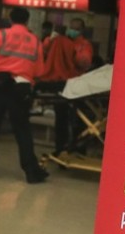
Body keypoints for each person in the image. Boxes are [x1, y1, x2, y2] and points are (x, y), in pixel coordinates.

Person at [0, 6, 50, 182]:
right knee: (22, 130)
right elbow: (40, 70)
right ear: (27, 21)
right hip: (22, 88)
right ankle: (31, 171)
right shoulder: (36, 41)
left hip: (0, 85)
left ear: (10, 19)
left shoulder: (2, 35)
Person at [37, 17, 93, 156]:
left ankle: (77, 150)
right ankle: (61, 148)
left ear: (81, 30)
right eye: (71, 27)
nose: (72, 30)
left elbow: (84, 62)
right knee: (61, 119)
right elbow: (44, 50)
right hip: (62, 85)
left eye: (75, 28)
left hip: (76, 86)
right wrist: (51, 39)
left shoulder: (83, 45)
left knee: (77, 121)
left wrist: (71, 52)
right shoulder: (58, 41)